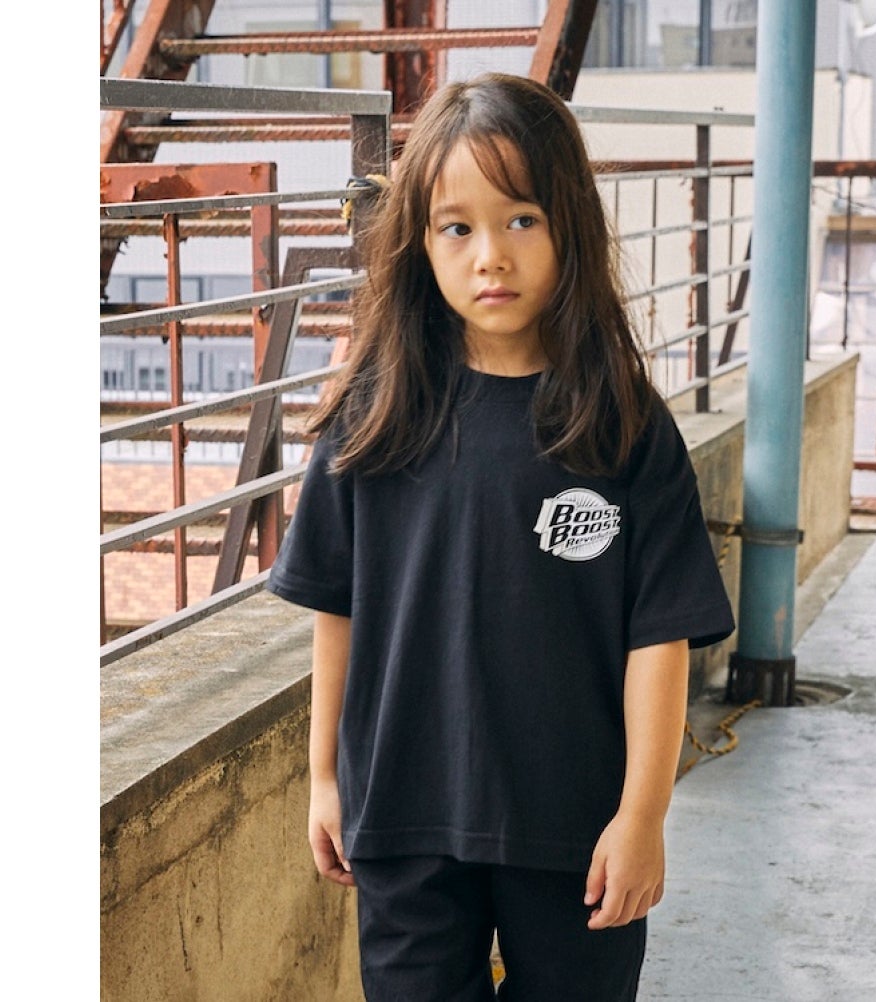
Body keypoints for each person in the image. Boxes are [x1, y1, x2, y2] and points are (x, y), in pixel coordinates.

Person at [266, 71, 735, 1002]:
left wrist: (643, 817)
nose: (491, 256)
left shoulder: (624, 427)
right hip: (404, 821)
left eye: (522, 218)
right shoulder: (372, 418)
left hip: (578, 835)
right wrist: (324, 780)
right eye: (457, 227)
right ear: (419, 241)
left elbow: (659, 639)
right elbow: (337, 613)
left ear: (571, 227)